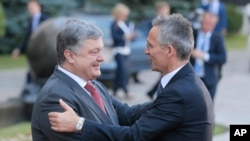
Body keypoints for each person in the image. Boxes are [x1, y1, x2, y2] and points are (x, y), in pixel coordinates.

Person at [48, 14, 214, 141]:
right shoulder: (181, 82)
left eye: (150, 46)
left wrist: (79, 124)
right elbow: (130, 114)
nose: (146, 51)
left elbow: (134, 136)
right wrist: (91, 89)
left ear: (169, 51)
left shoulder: (180, 92)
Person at [31, 19, 152, 141]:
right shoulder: (55, 98)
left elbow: (127, 115)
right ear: (70, 56)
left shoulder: (94, 86)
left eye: (102, 50)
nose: (102, 58)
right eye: (94, 52)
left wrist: (167, 100)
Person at [190, 12, 226, 101]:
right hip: (192, 76)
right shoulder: (193, 34)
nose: (207, 26)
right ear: (201, 21)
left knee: (207, 106)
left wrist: (204, 56)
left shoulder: (217, 38)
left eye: (210, 24)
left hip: (209, 78)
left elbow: (223, 58)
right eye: (205, 22)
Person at [11, 0, 48, 83]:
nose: (30, 9)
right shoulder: (31, 20)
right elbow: (27, 37)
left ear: (39, 7)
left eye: (32, 7)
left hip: (43, 51)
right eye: (29, 7)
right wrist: (19, 49)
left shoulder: (45, 19)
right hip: (33, 50)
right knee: (32, 70)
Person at [146, 1, 170, 99]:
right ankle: (156, 93)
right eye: (161, 10)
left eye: (165, 10)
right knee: (164, 73)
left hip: (167, 50)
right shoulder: (155, 23)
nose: (163, 12)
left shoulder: (170, 22)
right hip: (160, 50)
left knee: (166, 73)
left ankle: (153, 92)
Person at [111, 3, 135, 99]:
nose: (125, 16)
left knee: (122, 72)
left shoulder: (125, 24)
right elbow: (115, 37)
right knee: (122, 71)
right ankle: (126, 91)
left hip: (126, 51)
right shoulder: (114, 24)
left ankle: (115, 90)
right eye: (123, 14)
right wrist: (124, 37)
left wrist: (132, 36)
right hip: (118, 51)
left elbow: (129, 38)